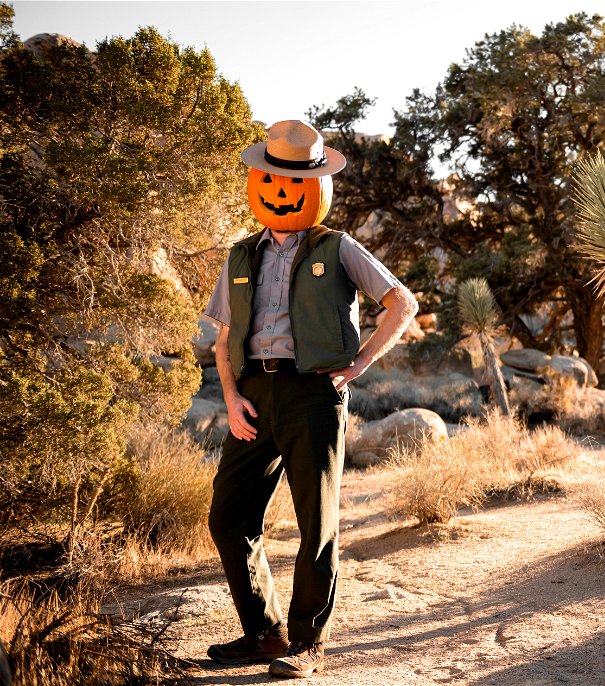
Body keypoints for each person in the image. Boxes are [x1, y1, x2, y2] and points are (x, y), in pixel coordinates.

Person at [202, 120, 417, 678]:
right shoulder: (240, 256)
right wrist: (229, 397)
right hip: (252, 395)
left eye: (294, 181)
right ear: (259, 179)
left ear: (315, 183)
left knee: (314, 524)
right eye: (271, 178)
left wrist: (361, 363)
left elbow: (402, 303)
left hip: (313, 394)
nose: (280, 191)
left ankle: (306, 644)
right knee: (229, 518)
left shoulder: (338, 248)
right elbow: (224, 339)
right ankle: (265, 634)